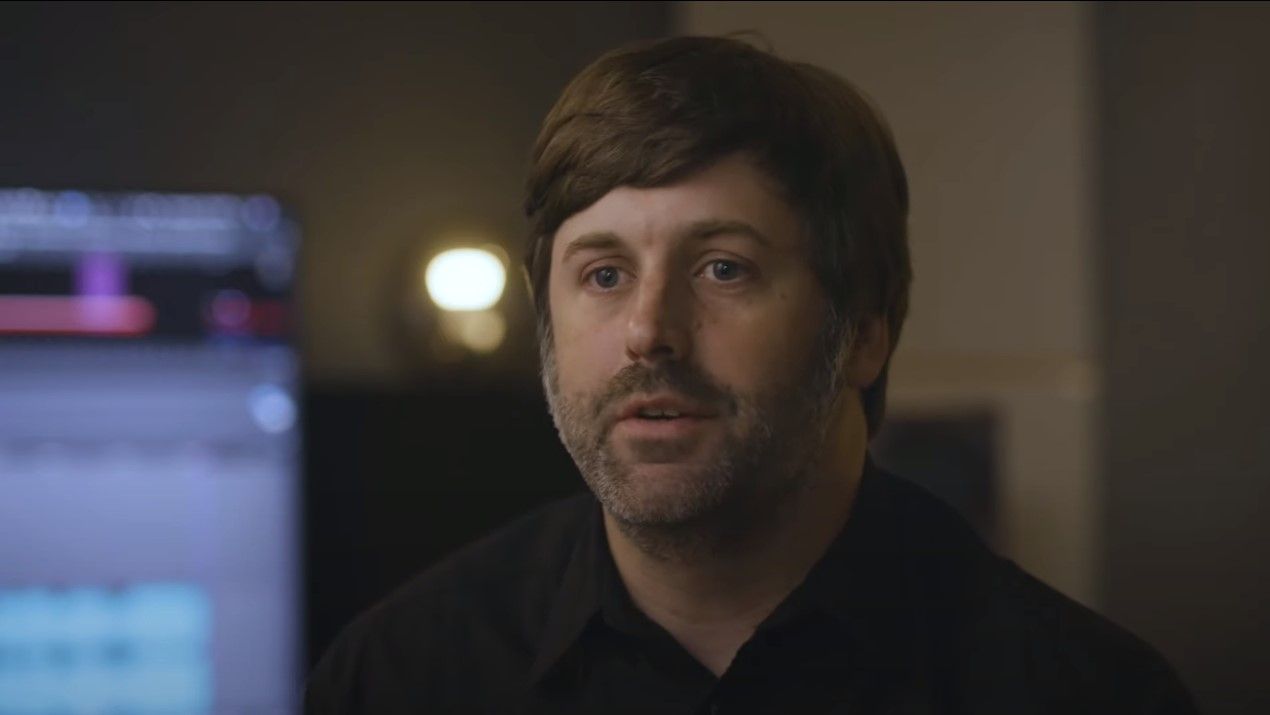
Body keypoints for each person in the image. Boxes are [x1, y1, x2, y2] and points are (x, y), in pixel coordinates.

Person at [304, 36, 1197, 714]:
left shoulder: (1079, 690)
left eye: (723, 268)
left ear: (865, 331)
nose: (650, 331)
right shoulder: (401, 675)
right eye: (604, 275)